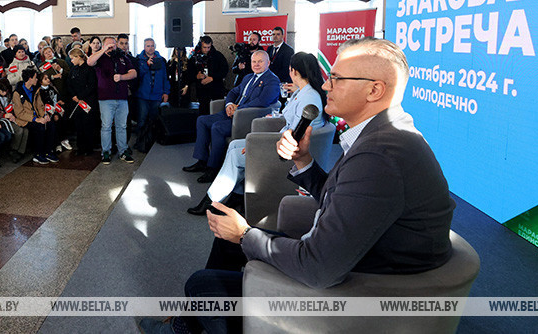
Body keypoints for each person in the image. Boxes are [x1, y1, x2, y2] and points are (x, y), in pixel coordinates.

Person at [148, 37, 455, 334]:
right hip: (351, 253)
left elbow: (317, 268)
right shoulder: (385, 134)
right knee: (223, 245)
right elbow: (342, 198)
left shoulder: (380, 155)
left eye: (336, 79)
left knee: (201, 284)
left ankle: (201, 319)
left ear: (374, 90)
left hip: (356, 282)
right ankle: (188, 323)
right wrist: (304, 160)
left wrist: (245, 234)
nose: (325, 86)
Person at [187, 51, 327, 215]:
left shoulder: (308, 97)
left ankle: (212, 199)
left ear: (294, 71)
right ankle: (237, 195)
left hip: (286, 151)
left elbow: (293, 136)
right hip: (280, 142)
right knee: (233, 145)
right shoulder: (304, 92)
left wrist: (256, 144)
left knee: (235, 155)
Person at [183, 50, 279, 182]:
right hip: (231, 112)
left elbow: (263, 101)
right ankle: (202, 161)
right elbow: (234, 92)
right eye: (254, 61)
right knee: (202, 120)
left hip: (245, 118)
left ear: (268, 63)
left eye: (260, 61)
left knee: (217, 127)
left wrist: (238, 108)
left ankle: (213, 168)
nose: (256, 64)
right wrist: (229, 104)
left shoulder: (272, 80)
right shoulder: (248, 77)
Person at [87, 36, 136, 164]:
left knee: (121, 126)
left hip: (122, 98)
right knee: (106, 126)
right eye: (108, 45)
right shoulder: (100, 57)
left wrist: (121, 77)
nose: (111, 47)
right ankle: (106, 152)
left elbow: (133, 73)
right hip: (105, 98)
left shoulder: (122, 58)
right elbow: (90, 62)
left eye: (113, 45)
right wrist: (103, 50)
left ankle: (123, 151)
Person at [12, 68, 57, 164]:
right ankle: (38, 154)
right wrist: (35, 119)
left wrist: (45, 115)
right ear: (30, 78)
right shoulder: (17, 93)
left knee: (51, 124)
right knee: (39, 127)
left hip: (36, 117)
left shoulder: (35, 89)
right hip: (24, 119)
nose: (37, 80)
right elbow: (19, 113)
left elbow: (40, 106)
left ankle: (48, 151)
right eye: (35, 78)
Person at [134, 38, 169, 152]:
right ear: (144, 47)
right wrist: (147, 65)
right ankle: (140, 141)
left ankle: (152, 141)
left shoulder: (161, 60)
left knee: (154, 120)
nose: (150, 48)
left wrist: (166, 92)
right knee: (142, 120)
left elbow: (165, 77)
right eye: (148, 46)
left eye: (152, 46)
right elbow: (138, 76)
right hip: (143, 96)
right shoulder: (139, 60)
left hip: (157, 96)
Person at [66, 48, 99, 156]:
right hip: (76, 101)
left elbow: (92, 86)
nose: (71, 61)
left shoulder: (89, 69)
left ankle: (89, 148)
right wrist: (74, 96)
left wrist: (80, 96)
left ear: (78, 57)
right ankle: (80, 148)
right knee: (78, 125)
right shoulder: (73, 69)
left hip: (87, 101)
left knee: (88, 125)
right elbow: (69, 83)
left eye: (72, 58)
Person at [188, 36, 229, 115]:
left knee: (217, 111)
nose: (206, 50)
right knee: (203, 111)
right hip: (202, 90)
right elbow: (189, 73)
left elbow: (224, 70)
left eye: (208, 47)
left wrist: (212, 78)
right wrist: (196, 76)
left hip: (216, 89)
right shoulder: (194, 57)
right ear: (200, 45)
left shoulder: (217, 55)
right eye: (204, 47)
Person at [0, 78, 27, 162]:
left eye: (6, 91)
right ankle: (13, 150)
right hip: (1, 120)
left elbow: (12, 105)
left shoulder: (9, 93)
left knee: (26, 130)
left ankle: (20, 151)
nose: (5, 93)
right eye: (2, 91)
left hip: (11, 116)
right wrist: (4, 115)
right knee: (19, 131)